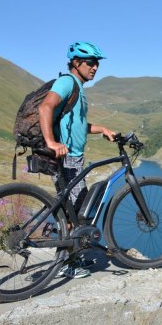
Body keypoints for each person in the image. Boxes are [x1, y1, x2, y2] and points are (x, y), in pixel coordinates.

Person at [38, 41, 117, 278]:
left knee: (74, 210)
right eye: (91, 63)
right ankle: (65, 263)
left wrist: (102, 128)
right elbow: (45, 108)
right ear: (76, 63)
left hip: (74, 159)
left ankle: (64, 247)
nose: (95, 68)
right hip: (67, 159)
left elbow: (80, 126)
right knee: (77, 213)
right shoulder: (67, 82)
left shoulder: (78, 89)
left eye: (97, 64)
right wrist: (51, 142)